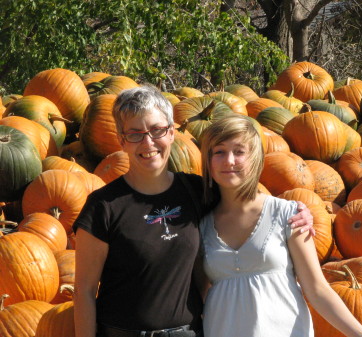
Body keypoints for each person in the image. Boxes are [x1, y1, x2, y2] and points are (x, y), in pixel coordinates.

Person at [73, 85, 313, 337]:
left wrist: (295, 209)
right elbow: (84, 292)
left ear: (171, 133)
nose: (148, 142)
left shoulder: (196, 191)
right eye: (135, 134)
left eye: (157, 130)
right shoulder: (103, 206)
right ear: (122, 140)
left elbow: (246, 200)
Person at [198, 114, 362, 337]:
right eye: (219, 152)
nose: (229, 160)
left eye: (239, 151)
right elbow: (201, 297)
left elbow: (317, 288)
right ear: (208, 160)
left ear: (255, 159)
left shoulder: (287, 214)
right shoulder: (201, 226)